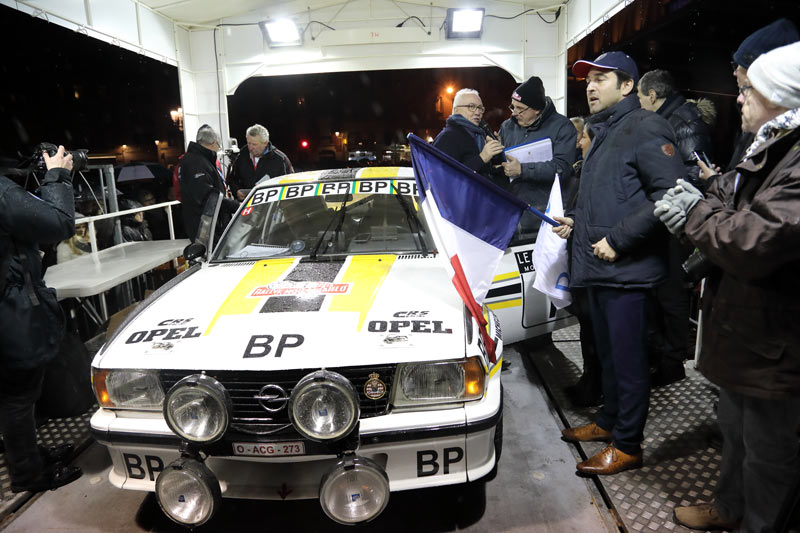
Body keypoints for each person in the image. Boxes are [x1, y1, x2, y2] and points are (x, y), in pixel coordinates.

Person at [656, 41, 800, 533]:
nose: (738, 98)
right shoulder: (770, 145)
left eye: (750, 90)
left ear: (781, 95)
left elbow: (754, 238)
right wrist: (704, 200)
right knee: (737, 434)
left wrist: (695, 212)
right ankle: (729, 508)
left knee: (770, 455)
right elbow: (725, 193)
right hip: (748, 331)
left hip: (778, 342)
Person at [553, 51, 686, 475]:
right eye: (587, 80)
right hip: (601, 270)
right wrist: (576, 221)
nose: (590, 87)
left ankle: (628, 445)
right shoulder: (605, 131)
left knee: (629, 362)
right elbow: (611, 196)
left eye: (600, 79)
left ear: (627, 85)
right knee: (609, 357)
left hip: (627, 271)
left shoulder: (645, 126)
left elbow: (670, 194)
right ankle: (609, 422)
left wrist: (619, 238)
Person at [0, 145, 82, 493]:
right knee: (17, 398)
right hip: (8, 313)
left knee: (11, 395)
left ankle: (28, 457)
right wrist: (58, 176)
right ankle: (28, 476)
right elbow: (58, 224)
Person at [636, 68, 716, 386]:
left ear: (653, 96)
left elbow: (693, 173)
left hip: (675, 221)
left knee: (670, 293)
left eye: (641, 98)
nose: (639, 104)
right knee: (659, 292)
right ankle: (660, 356)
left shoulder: (682, 122)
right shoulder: (669, 120)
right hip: (664, 216)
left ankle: (672, 362)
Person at [499, 76, 577, 235]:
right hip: (513, 213)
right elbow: (501, 163)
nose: (514, 113)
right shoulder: (507, 127)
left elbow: (562, 168)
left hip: (545, 216)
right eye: (512, 107)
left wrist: (523, 170)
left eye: (520, 108)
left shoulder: (563, 127)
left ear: (537, 109)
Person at [562, 121, 602, 407]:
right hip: (583, 263)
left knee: (595, 334)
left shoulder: (600, 175)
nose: (579, 143)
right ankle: (590, 385)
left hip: (594, 266)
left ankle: (595, 390)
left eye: (584, 137)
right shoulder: (583, 170)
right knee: (588, 331)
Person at [179, 125, 239, 243]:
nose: (218, 149)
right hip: (206, 227)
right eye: (218, 145)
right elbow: (208, 196)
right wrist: (236, 206)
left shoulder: (198, 160)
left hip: (209, 224)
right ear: (213, 143)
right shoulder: (196, 162)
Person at [432, 88, 505, 183]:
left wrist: (497, 157)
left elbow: (483, 172)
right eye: (471, 107)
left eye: (480, 108)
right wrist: (482, 158)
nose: (477, 112)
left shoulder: (480, 134)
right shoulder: (447, 137)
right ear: (456, 110)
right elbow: (444, 176)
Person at [227, 124, 294, 201]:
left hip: (271, 206)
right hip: (247, 206)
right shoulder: (241, 155)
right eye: (249, 143)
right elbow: (232, 179)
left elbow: (290, 186)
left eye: (254, 144)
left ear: (265, 143)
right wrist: (236, 191)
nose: (250, 147)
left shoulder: (280, 160)